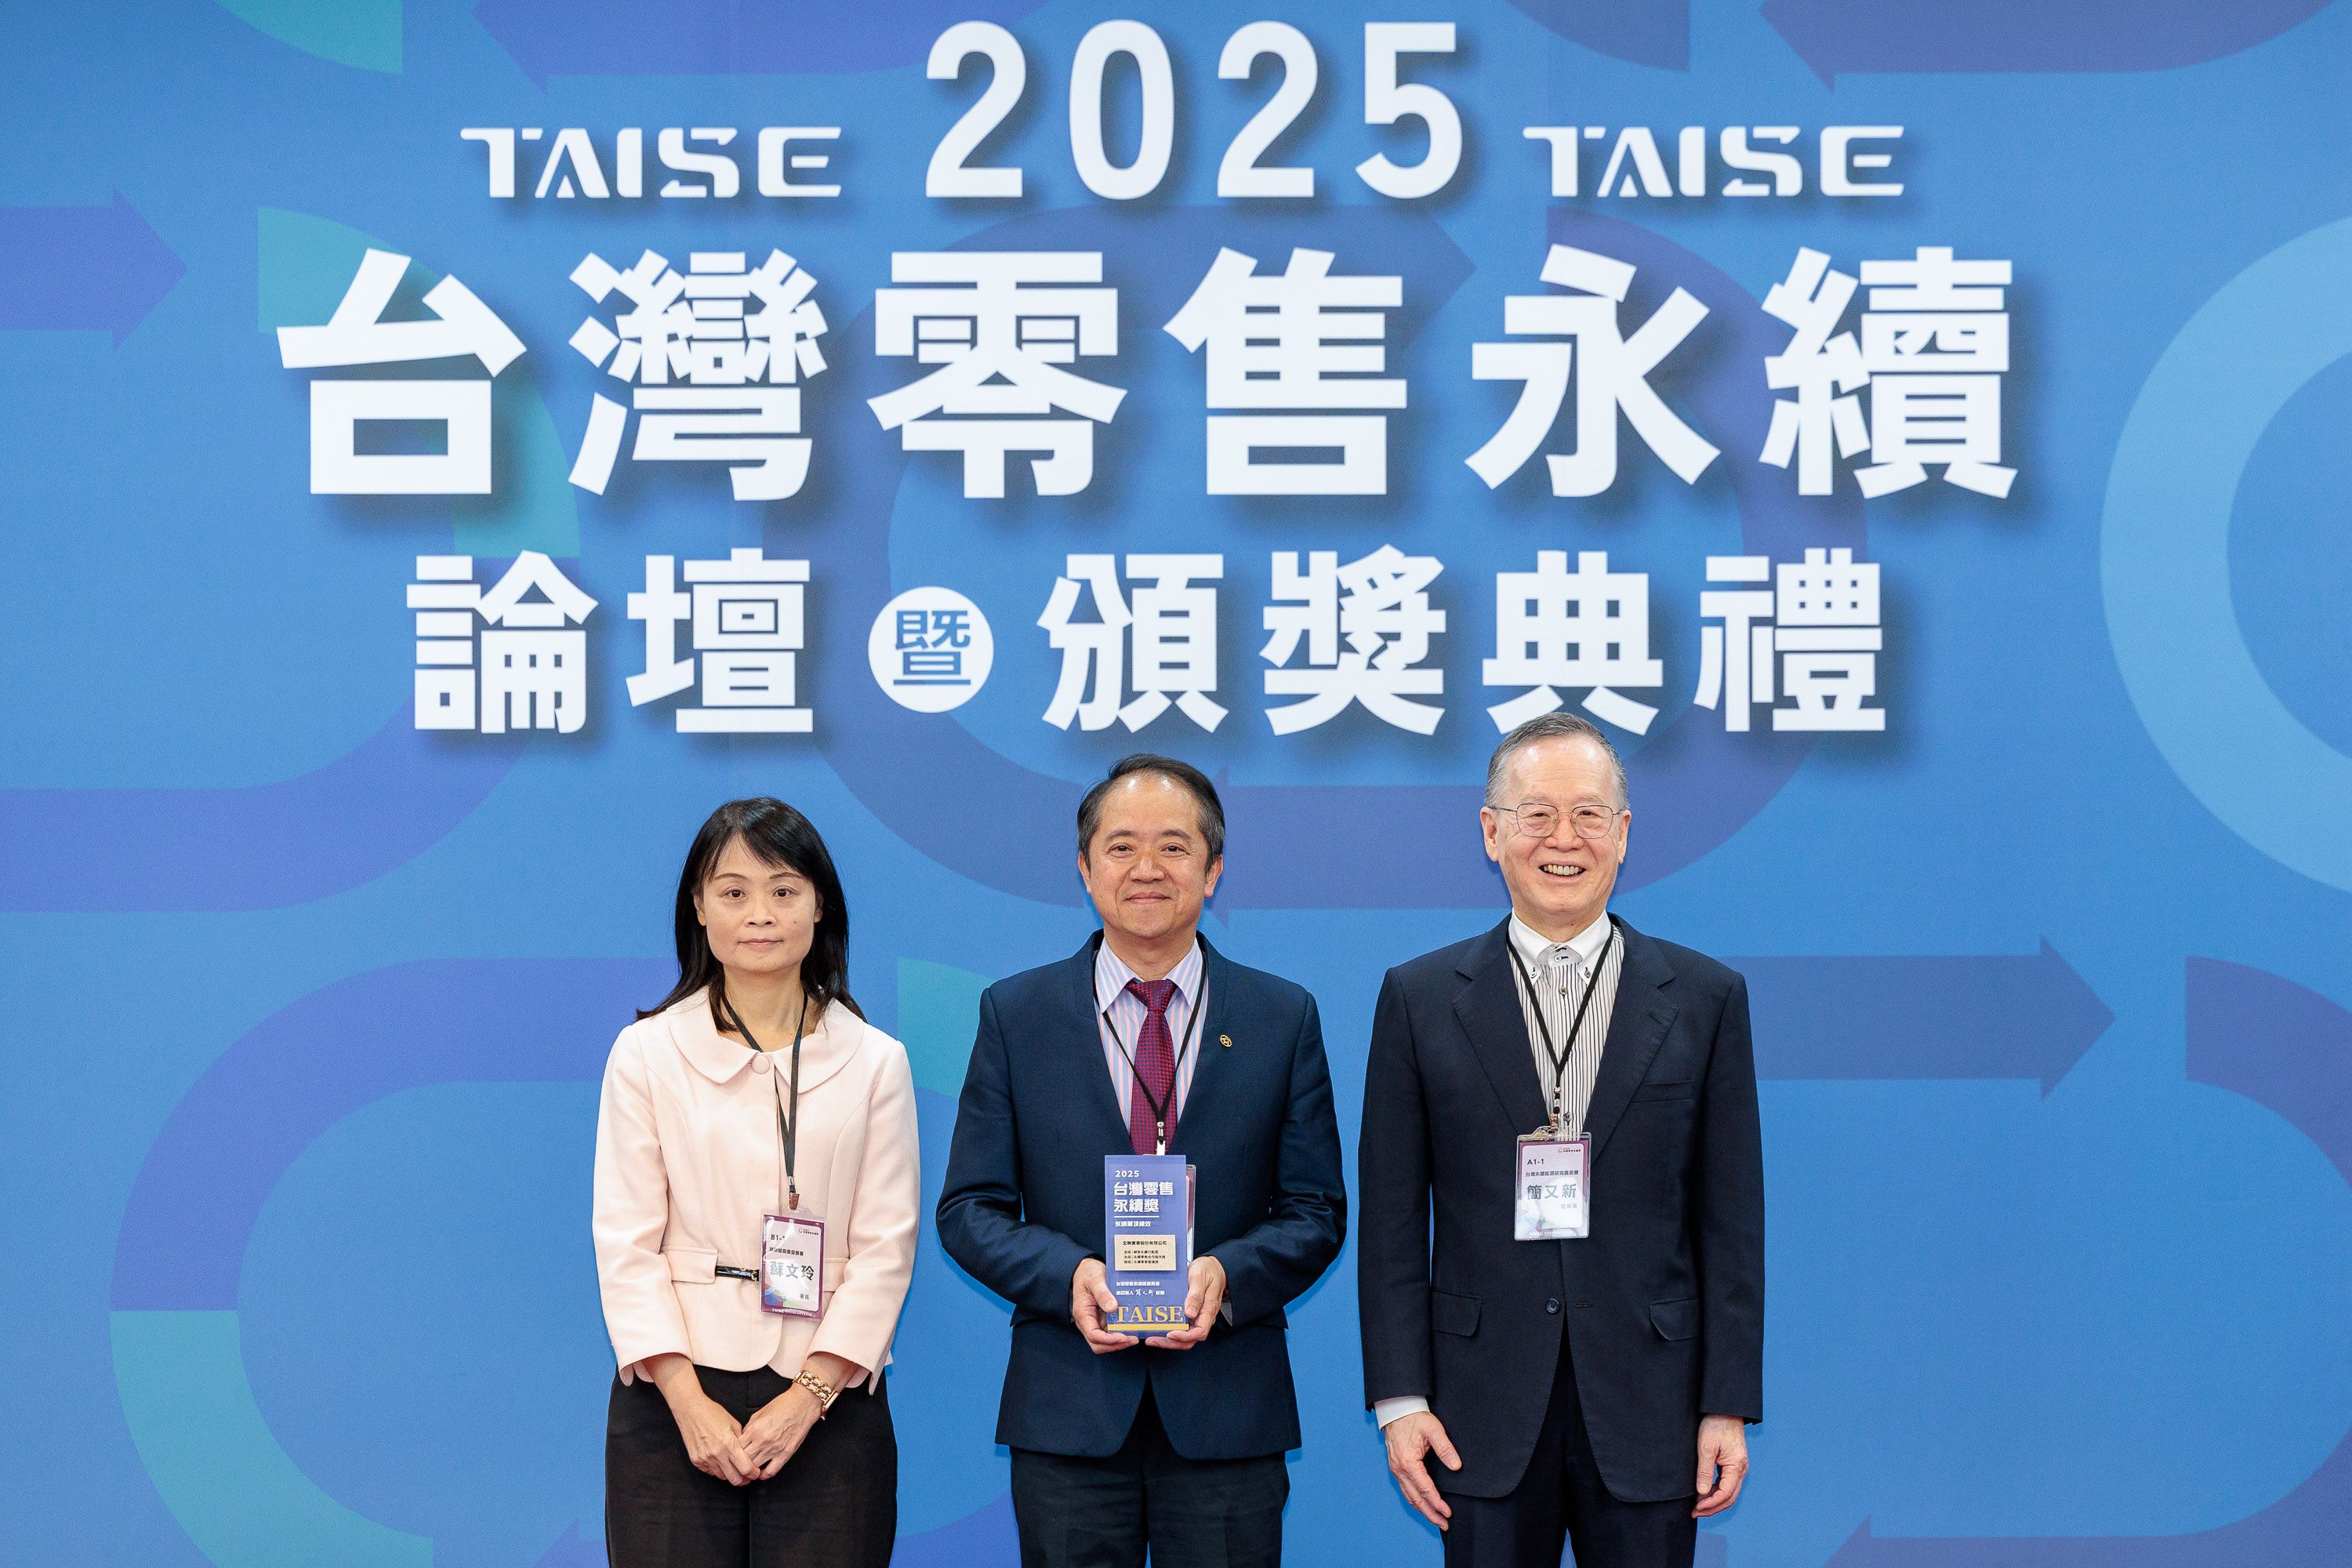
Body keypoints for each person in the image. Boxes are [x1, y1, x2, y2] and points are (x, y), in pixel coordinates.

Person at [1357, 713, 1765, 1568]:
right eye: (1536, 814)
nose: (1563, 839)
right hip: (1477, 1410)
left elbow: (1731, 1221)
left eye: (1588, 814)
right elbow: (1391, 1221)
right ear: (1491, 831)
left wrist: (1725, 1403)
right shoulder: (1419, 999)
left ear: (1624, 832)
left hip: (1653, 1405)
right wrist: (1401, 1401)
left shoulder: (1704, 997)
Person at [937, 753, 1347, 1568]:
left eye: (1174, 846)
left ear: (1213, 868)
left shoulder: (1280, 1014)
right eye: (1121, 846)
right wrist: (1070, 1275)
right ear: (1085, 868)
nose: (1148, 868)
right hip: (1069, 1413)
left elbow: (1316, 1210)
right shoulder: (1017, 1014)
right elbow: (969, 1208)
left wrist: (1226, 1274)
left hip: (1228, 1413)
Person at [593, 797, 919, 1567]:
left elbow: (886, 1248)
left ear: (819, 905)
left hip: (828, 1396)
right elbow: (625, 1243)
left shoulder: (876, 1061)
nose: (760, 913)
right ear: (699, 906)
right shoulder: (646, 1053)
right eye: (734, 891)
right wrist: (688, 1403)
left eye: (784, 889)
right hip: (673, 1395)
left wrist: (808, 1399)